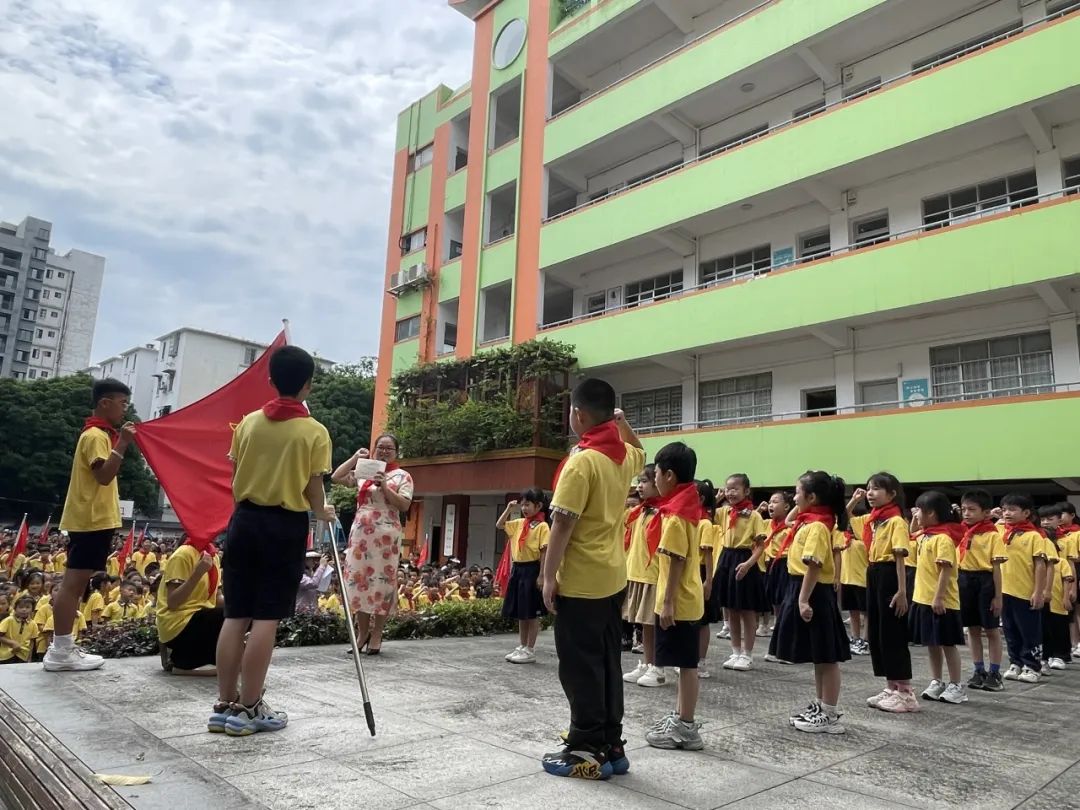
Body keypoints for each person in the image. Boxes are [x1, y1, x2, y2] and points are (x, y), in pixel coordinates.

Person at [213, 345, 335, 737]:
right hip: (284, 525)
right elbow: (314, 486)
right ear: (308, 385)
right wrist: (323, 512)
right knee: (266, 618)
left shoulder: (247, 423)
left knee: (236, 615)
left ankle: (224, 704)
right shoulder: (314, 431)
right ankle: (249, 709)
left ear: (270, 380)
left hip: (244, 520)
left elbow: (237, 470)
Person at [540, 379, 645, 780]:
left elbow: (562, 522)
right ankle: (612, 744)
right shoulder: (621, 458)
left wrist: (549, 576)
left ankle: (586, 748)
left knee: (580, 665)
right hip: (612, 576)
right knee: (606, 661)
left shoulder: (582, 462)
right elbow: (640, 449)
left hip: (582, 578)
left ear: (578, 415)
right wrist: (622, 423)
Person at [45, 378, 134, 672]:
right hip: (90, 519)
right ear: (104, 403)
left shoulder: (99, 434)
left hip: (93, 519)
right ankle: (60, 650)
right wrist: (122, 442)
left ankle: (63, 647)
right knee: (72, 586)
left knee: (76, 585)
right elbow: (104, 475)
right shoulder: (96, 435)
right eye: (122, 403)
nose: (125, 409)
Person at [773, 471, 850, 733]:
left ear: (812, 497)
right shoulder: (810, 521)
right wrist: (802, 501)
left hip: (814, 591)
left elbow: (814, 566)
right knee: (819, 654)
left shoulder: (817, 526)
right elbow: (790, 518)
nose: (793, 498)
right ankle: (821, 704)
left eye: (797, 493)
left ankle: (829, 712)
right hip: (803, 587)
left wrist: (803, 600)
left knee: (827, 656)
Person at [644, 442, 706, 751]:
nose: (653, 478)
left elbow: (677, 560)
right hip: (683, 599)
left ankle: (686, 727)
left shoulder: (678, 514)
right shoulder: (681, 506)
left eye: (655, 473)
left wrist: (667, 602)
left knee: (686, 665)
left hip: (679, 601)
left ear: (669, 475)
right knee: (684, 665)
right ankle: (681, 717)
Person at [331, 433, 414, 656]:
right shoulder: (365, 469)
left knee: (382, 583)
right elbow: (337, 477)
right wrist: (355, 457)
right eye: (381, 448)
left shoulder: (402, 476)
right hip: (361, 534)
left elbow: (404, 505)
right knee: (359, 581)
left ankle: (376, 634)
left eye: (389, 448)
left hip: (386, 535)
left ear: (396, 452)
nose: (384, 452)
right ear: (374, 449)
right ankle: (362, 633)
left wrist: (385, 487)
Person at [849, 472, 915, 713]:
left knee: (893, 633)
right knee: (878, 633)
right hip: (874, 572)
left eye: (876, 489)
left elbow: (899, 558)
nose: (870, 493)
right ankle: (891, 686)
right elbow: (842, 519)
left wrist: (901, 591)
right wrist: (854, 500)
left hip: (890, 575)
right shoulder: (873, 520)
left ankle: (906, 692)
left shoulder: (896, 521)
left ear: (892, 494)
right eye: (868, 488)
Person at [907, 492, 967, 704]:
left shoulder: (943, 538)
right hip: (923, 598)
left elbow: (945, 570)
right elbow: (911, 534)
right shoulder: (926, 535)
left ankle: (956, 685)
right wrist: (915, 519)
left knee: (948, 644)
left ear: (931, 513)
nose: (916, 514)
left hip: (942, 600)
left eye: (919, 511)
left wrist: (939, 597)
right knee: (932, 643)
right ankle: (937, 681)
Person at [713, 474, 768, 671]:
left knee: (747, 610)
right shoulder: (724, 512)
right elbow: (706, 512)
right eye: (728, 488)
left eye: (735, 488)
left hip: (744, 558)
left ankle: (748, 654)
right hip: (726, 558)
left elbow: (761, 546)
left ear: (746, 491)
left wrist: (748, 564)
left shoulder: (754, 516)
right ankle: (735, 651)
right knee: (731, 608)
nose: (731, 492)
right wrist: (718, 498)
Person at [958, 489, 1007, 692]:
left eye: (972, 509)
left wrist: (998, 596)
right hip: (964, 580)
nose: (966, 513)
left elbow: (996, 568)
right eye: (963, 509)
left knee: (991, 629)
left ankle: (995, 672)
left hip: (985, 581)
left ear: (986, 513)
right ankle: (979, 670)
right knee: (972, 629)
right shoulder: (960, 532)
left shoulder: (992, 535)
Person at [621, 466, 665, 688]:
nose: (639, 486)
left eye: (645, 481)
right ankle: (649, 664)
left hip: (654, 574)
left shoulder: (664, 512)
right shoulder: (639, 511)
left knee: (656, 625)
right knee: (645, 625)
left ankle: (660, 667)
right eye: (639, 481)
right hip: (637, 573)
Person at [998, 493, 1049, 683]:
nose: (1007, 513)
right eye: (1004, 509)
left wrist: (1038, 591)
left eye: (1012, 509)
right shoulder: (1001, 531)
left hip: (1025, 592)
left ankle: (1032, 665)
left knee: (1029, 631)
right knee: (1010, 630)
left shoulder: (1034, 535)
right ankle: (1016, 662)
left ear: (1026, 513)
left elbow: (1040, 564)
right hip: (1004, 590)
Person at [496, 488, 550, 665]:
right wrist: (509, 509)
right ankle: (521, 645)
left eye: (528, 504)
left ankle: (530, 648)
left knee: (531, 612)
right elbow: (499, 525)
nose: (524, 508)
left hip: (532, 569)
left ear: (539, 506)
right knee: (521, 611)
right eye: (523, 504)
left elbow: (544, 551)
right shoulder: (519, 523)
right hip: (518, 569)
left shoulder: (542, 526)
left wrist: (542, 575)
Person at [763, 491, 794, 664]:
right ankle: (778, 644)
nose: (771, 505)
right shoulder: (768, 524)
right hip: (772, 565)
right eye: (769, 501)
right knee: (775, 603)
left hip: (786, 564)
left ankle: (786, 648)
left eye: (775, 501)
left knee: (786, 604)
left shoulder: (791, 525)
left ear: (787, 507)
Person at [694, 480, 719, 679]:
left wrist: (708, 581)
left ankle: (701, 661)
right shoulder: (688, 519)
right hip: (688, 570)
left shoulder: (704, 523)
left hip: (700, 571)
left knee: (702, 620)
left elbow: (708, 554)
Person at [839, 511, 869, 656]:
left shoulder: (864, 541)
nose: (850, 527)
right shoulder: (844, 541)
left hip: (862, 581)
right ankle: (855, 638)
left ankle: (866, 640)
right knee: (853, 611)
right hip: (847, 580)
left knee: (866, 612)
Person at [0, 595, 39, 664]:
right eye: (20, 607)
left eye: (27, 607)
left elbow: (32, 642)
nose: (24, 609)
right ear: (15, 608)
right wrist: (12, 643)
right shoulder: (9, 620)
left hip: (23, 655)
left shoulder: (33, 624)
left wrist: (29, 658)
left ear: (32, 609)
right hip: (6, 655)